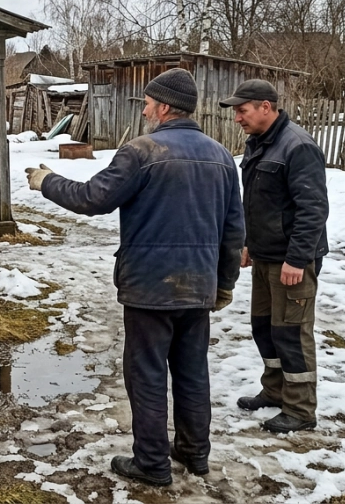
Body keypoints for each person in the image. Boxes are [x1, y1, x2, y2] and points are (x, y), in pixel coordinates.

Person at [25, 68, 244, 487]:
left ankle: (151, 464)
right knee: (192, 371)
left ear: (163, 106)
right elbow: (234, 229)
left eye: (146, 103)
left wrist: (46, 181)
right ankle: (195, 454)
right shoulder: (220, 156)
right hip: (198, 285)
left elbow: (93, 199)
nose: (143, 109)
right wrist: (224, 283)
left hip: (149, 287)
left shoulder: (142, 151)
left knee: (146, 373)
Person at [219, 79, 328, 434]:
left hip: (291, 261)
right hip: (266, 256)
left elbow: (312, 209)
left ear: (266, 107)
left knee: (292, 333)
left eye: (242, 110)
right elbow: (259, 203)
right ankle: (275, 391)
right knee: (265, 329)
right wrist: (250, 242)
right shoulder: (260, 143)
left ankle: (299, 409)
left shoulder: (297, 146)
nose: (237, 118)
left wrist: (297, 259)